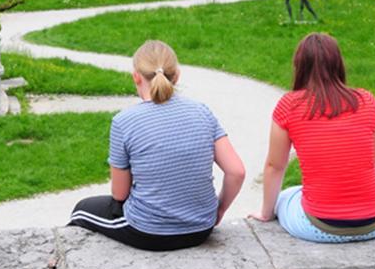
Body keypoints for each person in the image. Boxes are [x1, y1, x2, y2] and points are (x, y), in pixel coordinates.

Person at [68, 41, 245, 251]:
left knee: (81, 211)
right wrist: (219, 210)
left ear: (136, 76)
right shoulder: (202, 112)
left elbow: (119, 195)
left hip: (149, 232)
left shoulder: (124, 121)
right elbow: (237, 171)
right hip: (201, 229)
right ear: (177, 75)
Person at [249, 33, 375, 243]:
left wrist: (266, 213)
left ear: (300, 66)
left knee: (287, 196)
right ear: (338, 64)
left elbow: (275, 166)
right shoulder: (367, 101)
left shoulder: (290, 105)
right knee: (301, 191)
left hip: (320, 226)